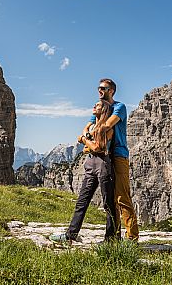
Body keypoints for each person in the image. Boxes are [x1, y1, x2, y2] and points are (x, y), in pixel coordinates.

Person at [50, 99, 117, 244]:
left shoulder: (107, 128)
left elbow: (98, 148)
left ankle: (111, 239)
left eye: (98, 106)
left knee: (108, 203)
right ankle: (70, 235)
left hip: (103, 165)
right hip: (90, 164)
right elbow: (89, 148)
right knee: (82, 201)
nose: (94, 106)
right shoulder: (94, 127)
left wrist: (84, 140)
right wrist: (88, 141)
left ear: (104, 110)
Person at [83, 78, 139, 241]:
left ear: (111, 91)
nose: (99, 91)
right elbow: (87, 127)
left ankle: (132, 238)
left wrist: (86, 140)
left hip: (119, 155)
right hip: (105, 157)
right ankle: (114, 237)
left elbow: (106, 125)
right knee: (111, 198)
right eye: (98, 88)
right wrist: (89, 134)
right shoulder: (101, 109)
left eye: (103, 88)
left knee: (122, 197)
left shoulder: (119, 107)